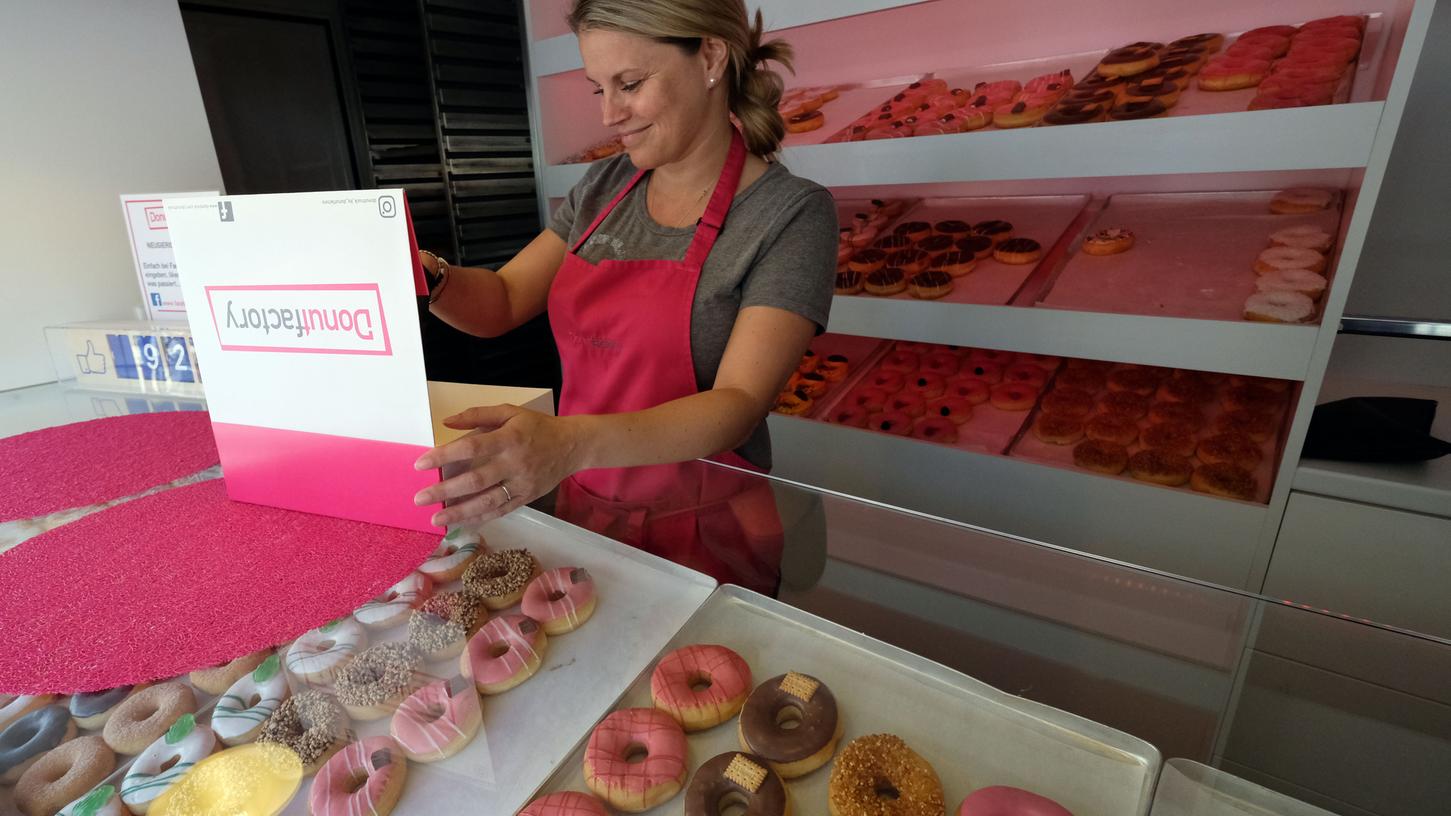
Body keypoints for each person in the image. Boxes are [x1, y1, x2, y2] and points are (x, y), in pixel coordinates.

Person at [410, 0, 837, 587]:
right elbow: (505, 299)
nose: (610, 114)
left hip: (708, 528)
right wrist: (425, 271)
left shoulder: (788, 214)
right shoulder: (603, 187)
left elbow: (738, 402)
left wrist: (565, 444)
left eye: (630, 84)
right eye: (597, 90)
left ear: (711, 56)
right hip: (587, 505)